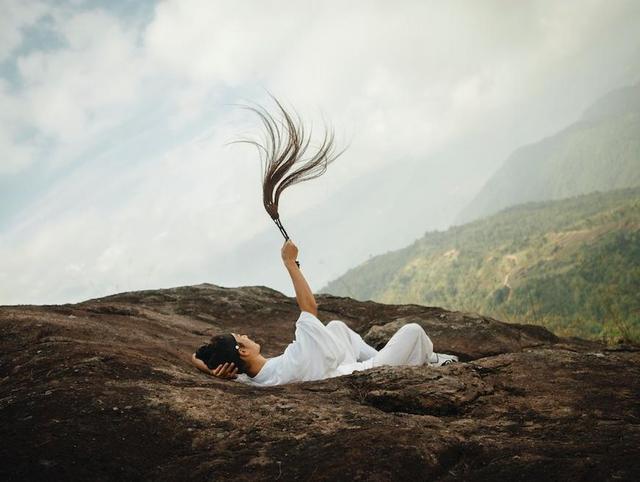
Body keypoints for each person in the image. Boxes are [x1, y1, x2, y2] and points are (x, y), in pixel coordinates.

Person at [190, 239, 458, 387]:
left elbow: (195, 357)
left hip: (340, 366)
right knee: (412, 331)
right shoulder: (291, 362)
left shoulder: (251, 378)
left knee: (337, 328)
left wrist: (211, 368)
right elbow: (309, 309)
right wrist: (290, 264)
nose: (246, 335)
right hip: (365, 372)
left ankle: (401, 357)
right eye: (242, 337)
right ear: (243, 352)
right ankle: (427, 360)